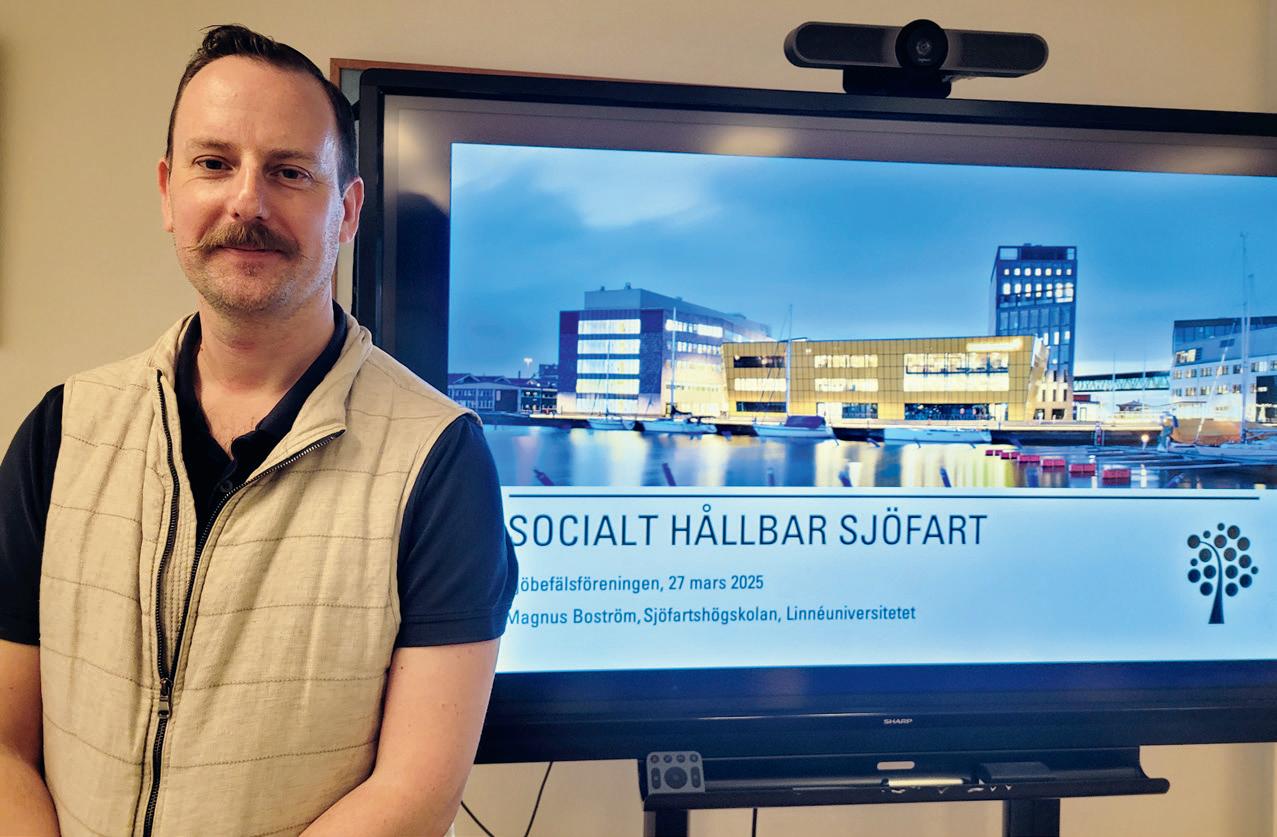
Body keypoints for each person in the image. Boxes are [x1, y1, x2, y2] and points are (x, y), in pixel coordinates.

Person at [0, 25, 517, 837]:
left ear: (347, 210)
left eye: (289, 171)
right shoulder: (63, 430)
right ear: (168, 191)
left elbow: (414, 794)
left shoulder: (438, 458)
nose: (247, 201)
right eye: (214, 163)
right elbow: (4, 742)